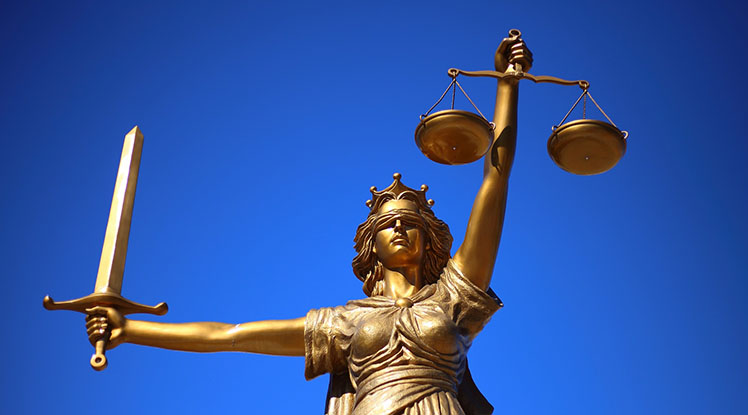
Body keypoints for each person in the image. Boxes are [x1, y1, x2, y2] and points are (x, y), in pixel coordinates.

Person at [86, 33, 533, 415]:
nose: (399, 229)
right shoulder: (343, 323)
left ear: (429, 237)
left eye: (409, 223)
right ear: (371, 246)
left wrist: (507, 88)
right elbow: (231, 336)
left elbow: (496, 179)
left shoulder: (454, 297)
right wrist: (129, 330)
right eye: (388, 224)